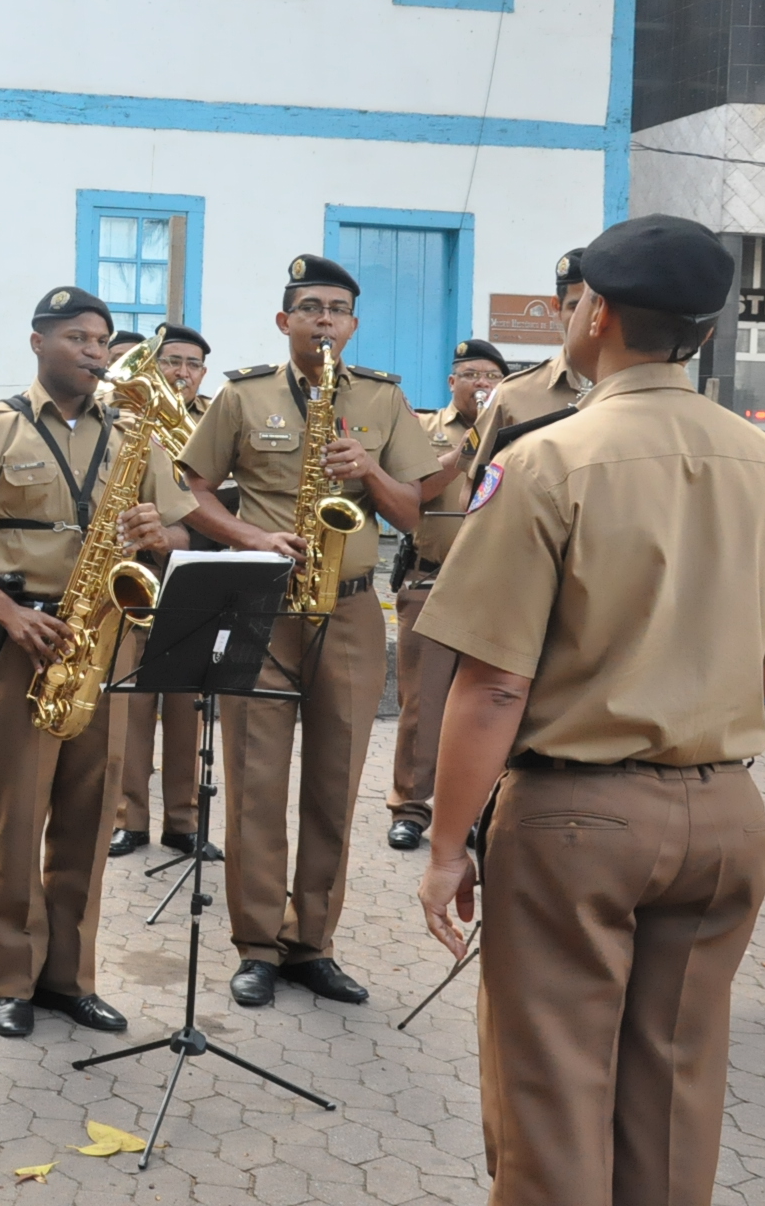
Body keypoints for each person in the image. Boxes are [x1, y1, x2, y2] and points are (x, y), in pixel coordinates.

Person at [415, 214, 765, 1206]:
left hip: (574, 818)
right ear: (702, 333)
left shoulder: (545, 460)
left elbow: (493, 682)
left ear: (591, 314)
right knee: (673, 1094)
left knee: (550, 1097)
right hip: (723, 814)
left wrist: (445, 842)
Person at [175, 255, 439, 1009]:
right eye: (310, 307)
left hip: (351, 608)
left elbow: (413, 510)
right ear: (284, 320)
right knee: (256, 781)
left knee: (333, 783)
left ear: (353, 326)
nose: (325, 319)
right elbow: (188, 489)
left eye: (338, 309)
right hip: (260, 601)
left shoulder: (385, 401)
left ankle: (313, 943)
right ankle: (257, 944)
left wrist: (370, 470)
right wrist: (248, 536)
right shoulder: (242, 393)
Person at [0, 285, 197, 1038]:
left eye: (101, 340)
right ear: (37, 342)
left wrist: (159, 534)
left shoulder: (135, 431)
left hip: (107, 638)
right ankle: (12, 977)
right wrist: (8, 613)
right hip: (31, 637)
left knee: (89, 815)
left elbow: (182, 536)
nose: (92, 351)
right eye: (77, 337)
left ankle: (70, 978)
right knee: (19, 818)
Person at [384, 338, 506, 852]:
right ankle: (411, 809)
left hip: (500, 590)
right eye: (471, 374)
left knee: (490, 707)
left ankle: (480, 812)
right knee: (422, 704)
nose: (481, 383)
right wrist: (471, 447)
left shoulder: (526, 435)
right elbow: (417, 492)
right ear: (452, 382)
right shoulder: (424, 431)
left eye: (490, 376)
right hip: (430, 581)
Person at [109, 322, 214, 860]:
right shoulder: (119, 422)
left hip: (192, 577)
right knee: (130, 701)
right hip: (132, 578)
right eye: (171, 361)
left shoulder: (216, 423)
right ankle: (128, 818)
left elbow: (233, 508)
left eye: (193, 363)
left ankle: (183, 822)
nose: (182, 372)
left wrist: (177, 537)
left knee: (185, 706)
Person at [470, 250, 590, 471]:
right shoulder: (513, 395)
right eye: (576, 307)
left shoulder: (638, 394)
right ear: (556, 307)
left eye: (596, 306)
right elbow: (474, 490)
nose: (587, 317)